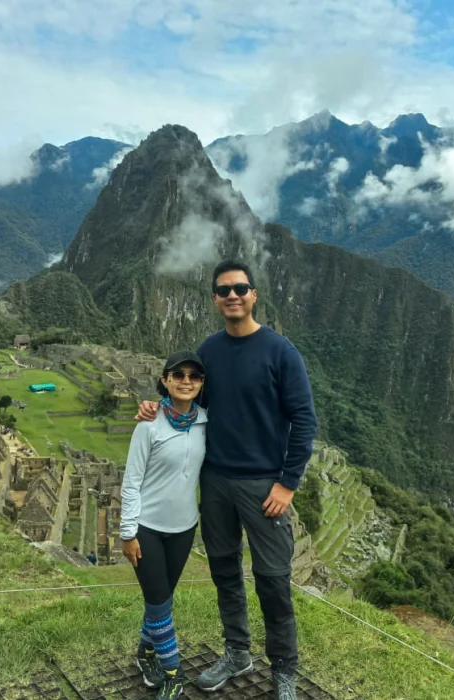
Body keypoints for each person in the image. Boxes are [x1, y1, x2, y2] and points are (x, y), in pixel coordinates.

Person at [137, 260, 317, 700]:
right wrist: (155, 407)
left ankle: (284, 670)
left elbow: (304, 419)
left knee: (273, 578)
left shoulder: (280, 351)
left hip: (264, 484)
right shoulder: (210, 350)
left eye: (241, 288)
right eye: (224, 290)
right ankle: (237, 651)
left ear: (254, 295)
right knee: (224, 571)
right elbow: (190, 397)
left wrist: (287, 483)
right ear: (216, 300)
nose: (233, 296)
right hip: (215, 480)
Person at [121, 350, 208, 700]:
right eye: (179, 375)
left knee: (163, 600)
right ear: (165, 380)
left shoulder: (205, 421)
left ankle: (145, 654)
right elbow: (131, 481)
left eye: (194, 376)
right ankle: (174, 674)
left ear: (201, 384)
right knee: (158, 602)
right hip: (148, 528)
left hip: (184, 528)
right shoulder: (149, 425)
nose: (186, 381)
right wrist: (128, 532)